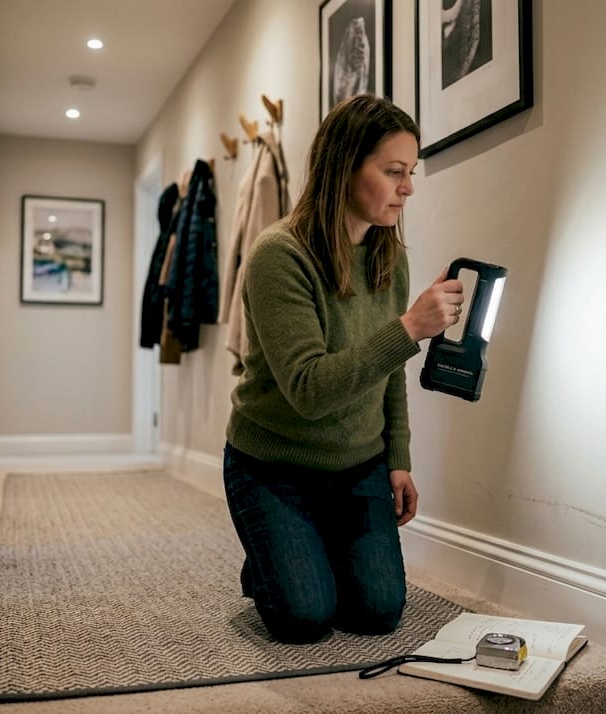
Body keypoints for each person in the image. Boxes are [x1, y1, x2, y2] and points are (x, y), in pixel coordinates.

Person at [223, 94, 465, 644]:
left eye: (411, 172)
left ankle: (304, 550)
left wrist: (397, 460)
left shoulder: (388, 257)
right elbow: (308, 389)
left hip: (357, 467)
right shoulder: (279, 255)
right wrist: (409, 328)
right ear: (345, 168)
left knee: (376, 613)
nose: (408, 188)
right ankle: (272, 557)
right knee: (304, 618)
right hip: (273, 466)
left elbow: (390, 373)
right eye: (394, 171)